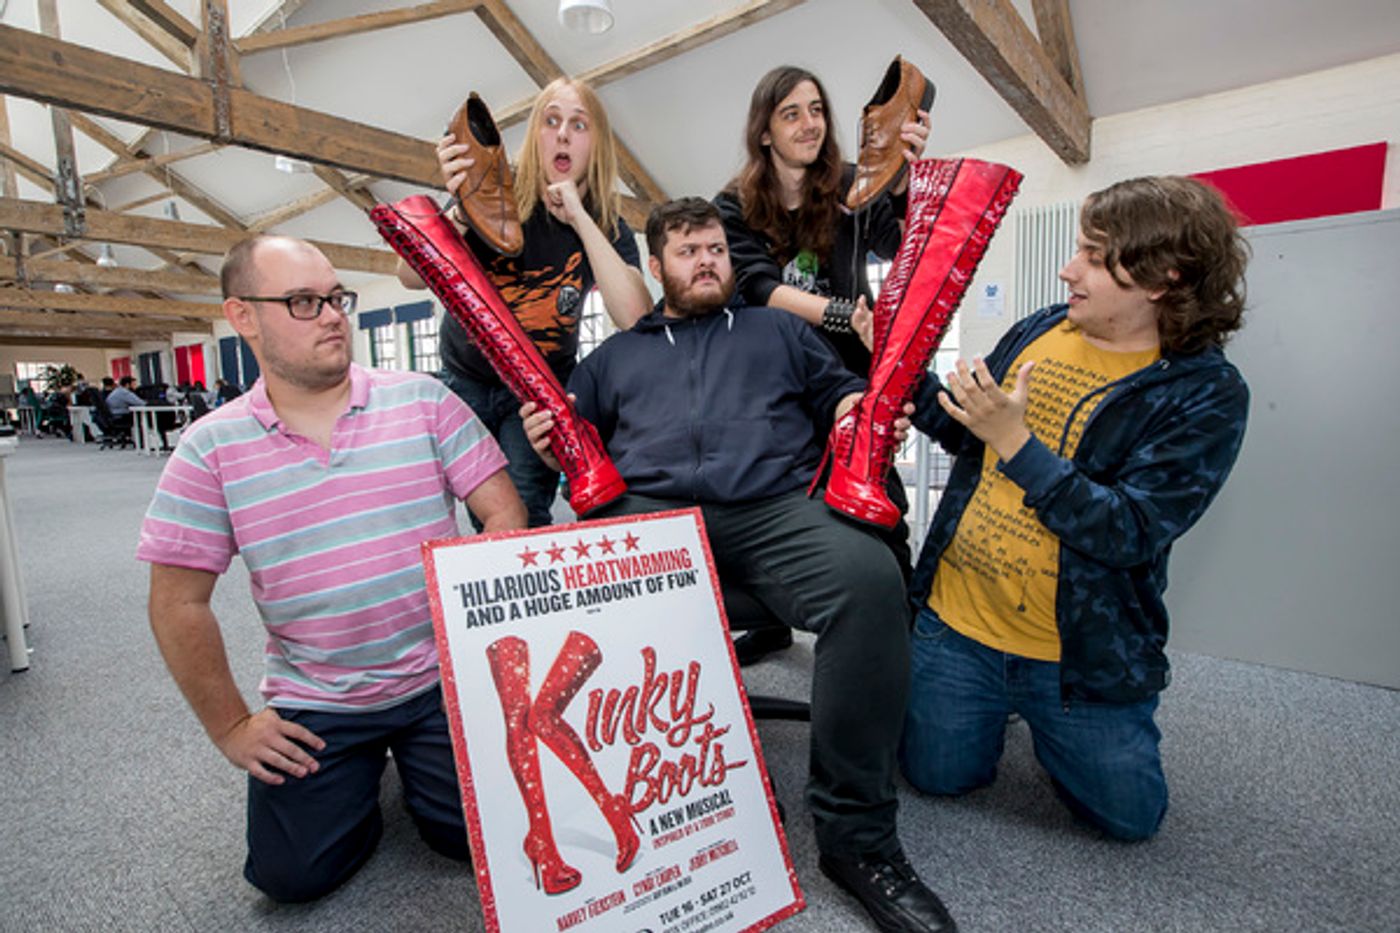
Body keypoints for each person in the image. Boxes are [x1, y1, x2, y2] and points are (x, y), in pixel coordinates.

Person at [524, 198, 957, 933]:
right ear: (656, 268)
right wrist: (548, 441)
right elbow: (574, 443)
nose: (706, 261)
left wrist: (855, 406)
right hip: (653, 518)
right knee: (574, 592)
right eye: (688, 250)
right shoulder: (617, 356)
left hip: (773, 507)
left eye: (717, 249)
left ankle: (856, 838)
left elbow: (839, 394)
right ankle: (656, 812)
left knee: (870, 580)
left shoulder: (778, 329)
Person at [137, 235, 526, 902]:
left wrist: (478, 649)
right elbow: (178, 601)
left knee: (481, 838)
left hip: (441, 676)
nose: (333, 314)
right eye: (303, 301)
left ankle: (418, 762)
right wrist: (231, 725)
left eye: (336, 297)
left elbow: (505, 515)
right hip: (319, 695)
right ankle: (365, 771)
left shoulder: (423, 400)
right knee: (293, 877)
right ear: (243, 317)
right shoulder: (209, 448)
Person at [898, 176, 1251, 842]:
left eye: (1092, 254)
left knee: (1129, 822)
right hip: (959, 621)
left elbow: (1128, 529)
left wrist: (1015, 442)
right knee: (936, 779)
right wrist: (900, 369)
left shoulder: (1205, 394)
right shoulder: (1040, 329)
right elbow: (967, 431)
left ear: (1159, 278)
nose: (1069, 268)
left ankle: (1047, 717)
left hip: (1080, 655)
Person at [714, 66, 929, 665]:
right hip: (773, 389)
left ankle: (906, 643)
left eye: (816, 110)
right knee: (780, 512)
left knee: (881, 511)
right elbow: (756, 287)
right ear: (764, 131)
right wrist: (842, 314)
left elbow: (900, 243)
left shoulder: (854, 186)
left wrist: (907, 178)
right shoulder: (732, 205)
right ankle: (777, 623)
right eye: (791, 113)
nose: (810, 124)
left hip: (850, 380)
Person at [399, 77, 651, 530]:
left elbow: (634, 314)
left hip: (536, 391)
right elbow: (409, 276)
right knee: (432, 507)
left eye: (579, 125)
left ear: (595, 144)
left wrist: (579, 216)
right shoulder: (494, 186)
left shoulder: (605, 221)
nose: (562, 134)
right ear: (535, 133)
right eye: (551, 121)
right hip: (466, 378)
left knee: (522, 515)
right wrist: (460, 207)